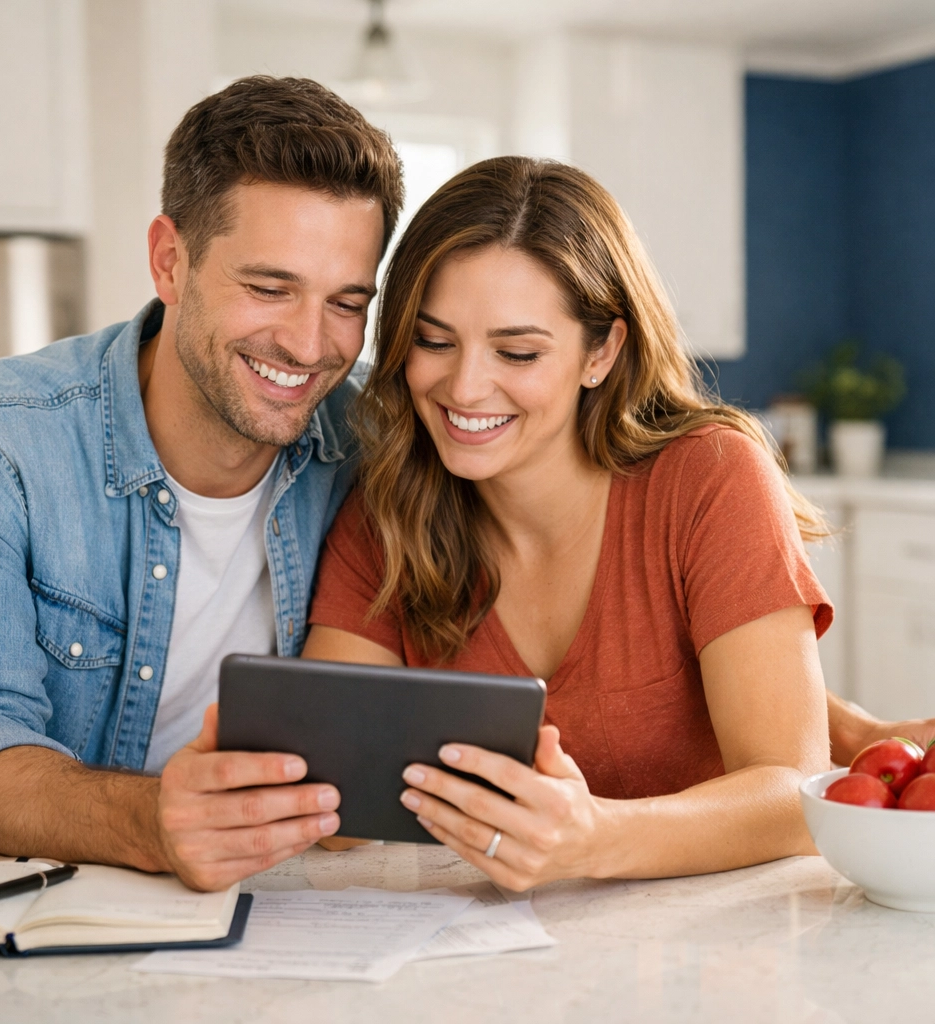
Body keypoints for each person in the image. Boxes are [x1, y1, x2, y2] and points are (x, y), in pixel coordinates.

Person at [302, 156, 926, 889]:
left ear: (601, 352)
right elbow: (332, 804)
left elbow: (791, 794)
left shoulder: (709, 477)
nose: (464, 386)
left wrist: (594, 838)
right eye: (434, 341)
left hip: (719, 939)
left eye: (518, 352)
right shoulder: (386, 512)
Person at [0, 76, 403, 891]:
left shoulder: (375, 447)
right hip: (45, 906)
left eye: (347, 303)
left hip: (279, 900)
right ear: (170, 262)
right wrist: (153, 822)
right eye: (269, 288)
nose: (309, 344)